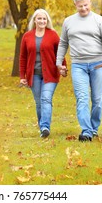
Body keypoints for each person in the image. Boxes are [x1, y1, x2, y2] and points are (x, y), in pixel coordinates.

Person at [56, 0, 102, 142]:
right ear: (75, 5)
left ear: (90, 3)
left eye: (85, 5)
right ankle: (87, 131)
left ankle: (94, 128)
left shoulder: (99, 20)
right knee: (82, 98)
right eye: (80, 6)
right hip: (78, 65)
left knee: (97, 100)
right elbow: (63, 43)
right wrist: (59, 62)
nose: (83, 8)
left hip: (98, 64)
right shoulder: (68, 22)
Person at [20, 9, 66, 138]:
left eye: (44, 19)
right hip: (33, 75)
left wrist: (63, 67)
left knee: (46, 99)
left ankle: (45, 126)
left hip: (50, 74)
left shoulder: (53, 35)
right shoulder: (27, 36)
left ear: (47, 21)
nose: (42, 21)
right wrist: (22, 76)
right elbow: (23, 57)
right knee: (39, 102)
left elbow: (60, 53)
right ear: (34, 20)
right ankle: (43, 129)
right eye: (39, 18)